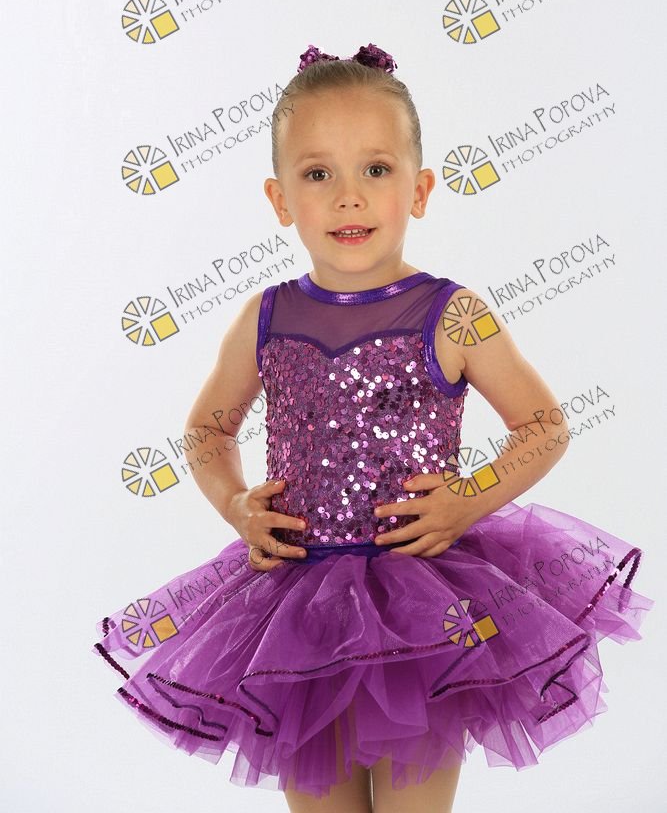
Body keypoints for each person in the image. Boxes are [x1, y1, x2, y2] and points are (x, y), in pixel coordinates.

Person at [93, 43, 654, 813]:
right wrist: (236, 506)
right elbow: (207, 430)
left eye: (376, 170)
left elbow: (541, 425)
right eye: (317, 174)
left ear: (419, 190)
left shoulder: (452, 314)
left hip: (425, 605)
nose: (348, 197)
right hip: (296, 611)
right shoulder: (264, 318)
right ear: (279, 199)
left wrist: (467, 500)